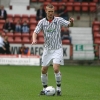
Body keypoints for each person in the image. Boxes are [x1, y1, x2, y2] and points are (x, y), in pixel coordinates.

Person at [32, 4, 74, 96]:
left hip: (57, 48)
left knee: (55, 69)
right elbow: (35, 32)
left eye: (52, 11)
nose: (51, 13)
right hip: (47, 49)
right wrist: (34, 39)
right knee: (43, 70)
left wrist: (71, 22)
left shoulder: (58, 20)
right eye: (49, 11)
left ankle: (58, 89)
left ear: (53, 11)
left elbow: (69, 24)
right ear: (46, 11)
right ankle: (44, 89)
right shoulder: (42, 22)